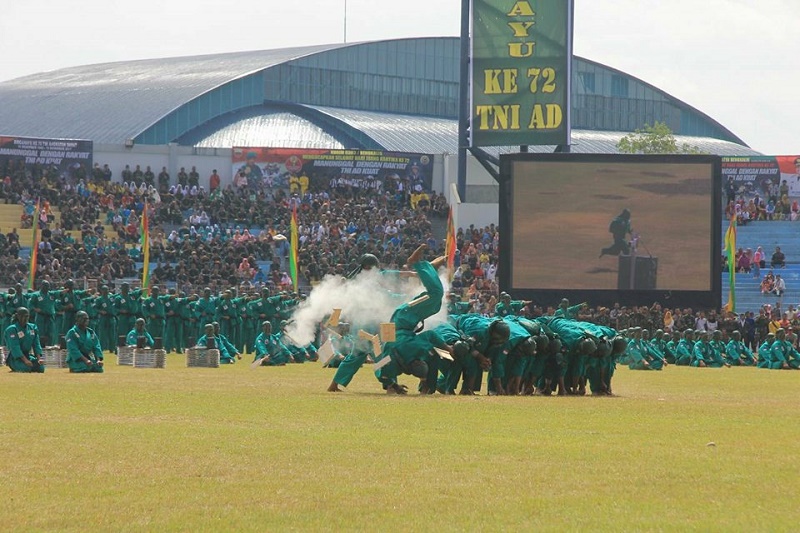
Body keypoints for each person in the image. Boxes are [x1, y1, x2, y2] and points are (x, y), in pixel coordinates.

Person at [4, 307, 44, 373]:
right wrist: (25, 361)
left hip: (27, 355)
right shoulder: (12, 329)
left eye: (26, 316)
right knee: (26, 369)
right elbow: (15, 347)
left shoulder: (32, 327)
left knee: (41, 368)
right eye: (22, 316)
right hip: (15, 357)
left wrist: (39, 359)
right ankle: (15, 368)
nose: (25, 318)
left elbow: (36, 344)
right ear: (17, 316)